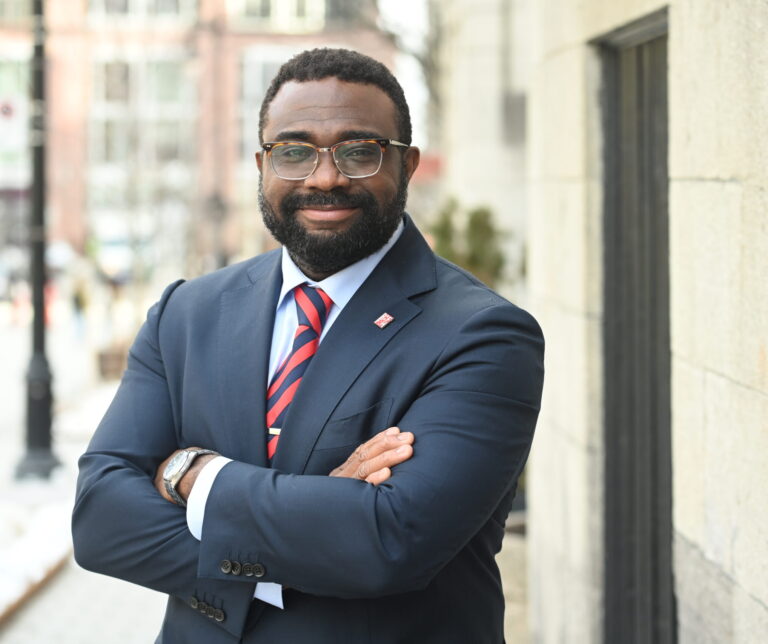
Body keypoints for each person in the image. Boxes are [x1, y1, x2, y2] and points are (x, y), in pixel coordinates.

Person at [72, 48, 544, 644]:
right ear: (262, 164)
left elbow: (387, 543)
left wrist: (195, 474)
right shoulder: (186, 313)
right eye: (294, 151)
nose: (325, 177)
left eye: (358, 150)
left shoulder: (485, 334)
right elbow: (100, 521)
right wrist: (319, 519)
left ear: (407, 165)